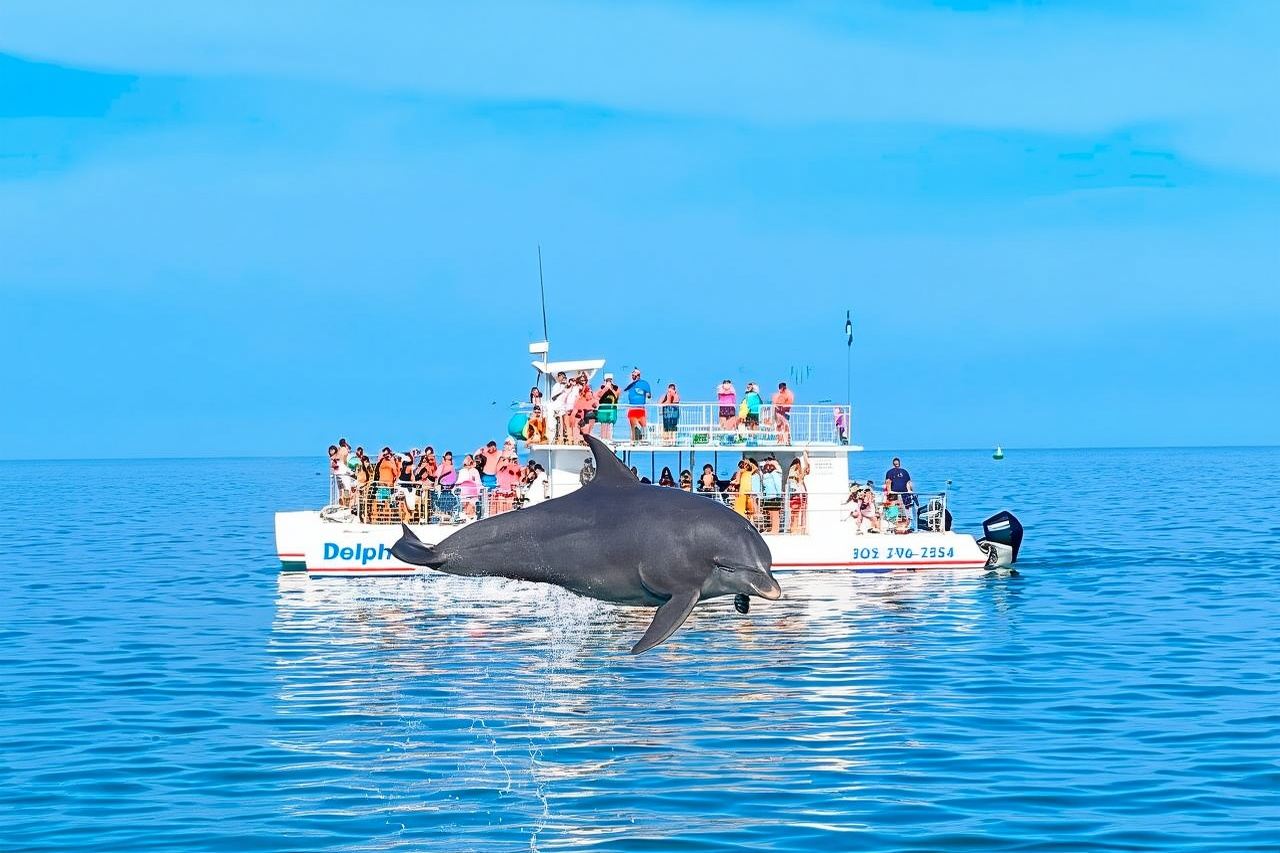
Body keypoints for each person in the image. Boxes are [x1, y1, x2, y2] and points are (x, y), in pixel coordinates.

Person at [623, 368, 651, 442]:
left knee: (643, 425)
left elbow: (649, 394)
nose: (632, 376)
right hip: (632, 408)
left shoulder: (644, 383)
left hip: (640, 408)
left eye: (633, 375)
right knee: (634, 426)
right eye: (632, 375)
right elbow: (625, 389)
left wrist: (648, 395)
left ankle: (644, 440)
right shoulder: (631, 384)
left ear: (638, 375)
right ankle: (634, 441)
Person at [786, 451, 810, 534]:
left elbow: (807, 468)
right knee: (797, 513)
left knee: (795, 513)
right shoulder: (797, 474)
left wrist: (805, 455)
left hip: (799, 495)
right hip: (799, 494)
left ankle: (796, 529)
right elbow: (807, 468)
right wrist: (805, 456)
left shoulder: (795, 474)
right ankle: (796, 529)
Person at [759, 457, 783, 533]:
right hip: (770, 495)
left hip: (773, 496)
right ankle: (773, 528)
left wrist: (779, 495)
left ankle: (775, 529)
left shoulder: (774, 474)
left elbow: (778, 485)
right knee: (772, 513)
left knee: (774, 513)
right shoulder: (769, 475)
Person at [456, 454, 482, 521]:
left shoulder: (475, 471)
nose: (467, 461)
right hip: (464, 494)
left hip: (473, 495)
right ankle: (466, 517)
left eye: (469, 459)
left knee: (471, 505)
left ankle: (472, 517)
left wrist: (478, 493)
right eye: (466, 459)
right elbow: (459, 482)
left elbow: (478, 482)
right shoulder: (462, 471)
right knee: (465, 506)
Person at [573, 373, 598, 442]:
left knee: (586, 426)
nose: (583, 381)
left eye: (584, 380)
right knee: (579, 425)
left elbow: (591, 399)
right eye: (581, 380)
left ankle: (586, 440)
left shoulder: (588, 388)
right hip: (580, 409)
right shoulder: (577, 387)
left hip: (587, 409)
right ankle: (580, 439)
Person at [548, 371, 571, 442]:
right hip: (557, 407)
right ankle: (558, 438)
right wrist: (561, 392)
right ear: (558, 377)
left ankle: (565, 437)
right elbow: (553, 397)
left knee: (565, 423)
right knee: (558, 423)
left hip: (565, 407)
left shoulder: (566, 385)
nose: (563, 377)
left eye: (564, 376)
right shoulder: (556, 385)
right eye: (561, 376)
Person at [597, 374, 619, 441]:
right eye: (607, 380)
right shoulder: (602, 388)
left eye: (610, 380)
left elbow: (616, 396)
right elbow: (599, 395)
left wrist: (611, 389)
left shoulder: (616, 389)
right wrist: (606, 388)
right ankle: (603, 439)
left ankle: (609, 439)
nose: (609, 382)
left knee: (610, 426)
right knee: (603, 425)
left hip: (611, 410)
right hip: (603, 410)